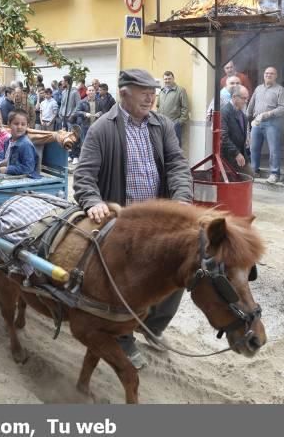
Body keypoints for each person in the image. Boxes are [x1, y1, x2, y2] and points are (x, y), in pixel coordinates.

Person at [73, 69, 193, 370]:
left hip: (159, 221)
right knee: (123, 284)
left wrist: (180, 200)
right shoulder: (103, 128)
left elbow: (178, 165)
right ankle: (123, 338)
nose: (151, 96)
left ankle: (153, 326)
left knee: (177, 274)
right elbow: (84, 175)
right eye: (143, 91)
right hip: (121, 223)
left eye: (153, 90)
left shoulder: (161, 124)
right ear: (124, 92)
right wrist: (94, 201)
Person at [247, 66, 284, 184]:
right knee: (254, 148)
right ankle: (254, 170)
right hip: (257, 122)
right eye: (266, 73)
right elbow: (251, 103)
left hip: (272, 123)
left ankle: (274, 174)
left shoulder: (280, 90)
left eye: (271, 74)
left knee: (274, 149)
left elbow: (283, 108)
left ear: (276, 76)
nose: (268, 75)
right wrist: (247, 117)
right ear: (264, 75)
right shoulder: (258, 88)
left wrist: (268, 114)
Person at [0, 109, 40, 178]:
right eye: (16, 124)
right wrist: (1, 164)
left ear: (27, 126)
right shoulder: (7, 142)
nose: (19, 127)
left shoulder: (26, 145)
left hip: (25, 178)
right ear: (9, 124)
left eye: (23, 124)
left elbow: (28, 168)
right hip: (11, 176)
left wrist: (8, 169)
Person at [220, 86, 252, 176]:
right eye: (243, 98)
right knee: (231, 182)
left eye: (247, 98)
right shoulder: (225, 112)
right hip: (228, 156)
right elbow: (223, 136)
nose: (246, 101)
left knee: (250, 176)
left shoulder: (241, 114)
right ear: (234, 97)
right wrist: (236, 153)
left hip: (241, 154)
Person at [71, 84, 105, 164]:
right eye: (89, 90)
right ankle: (83, 160)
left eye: (93, 90)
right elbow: (76, 112)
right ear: (86, 92)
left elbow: (104, 111)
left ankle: (93, 160)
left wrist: (100, 113)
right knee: (84, 143)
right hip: (85, 126)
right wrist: (84, 114)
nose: (91, 92)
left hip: (96, 127)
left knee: (95, 144)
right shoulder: (82, 102)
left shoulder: (99, 101)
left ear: (95, 92)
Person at [156, 71, 189, 147]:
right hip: (162, 125)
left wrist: (179, 122)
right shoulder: (161, 91)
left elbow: (185, 107)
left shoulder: (180, 90)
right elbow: (158, 106)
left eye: (169, 79)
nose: (167, 81)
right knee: (163, 147)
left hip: (174, 124)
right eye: (165, 79)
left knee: (175, 147)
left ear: (173, 79)